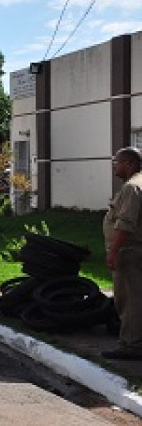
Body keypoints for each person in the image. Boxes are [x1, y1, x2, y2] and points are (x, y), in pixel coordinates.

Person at [102, 147, 142, 360]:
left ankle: (131, 346)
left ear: (129, 164)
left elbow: (125, 224)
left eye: (116, 162)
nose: (114, 166)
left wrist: (113, 252)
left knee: (130, 300)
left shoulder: (132, 188)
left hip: (130, 252)